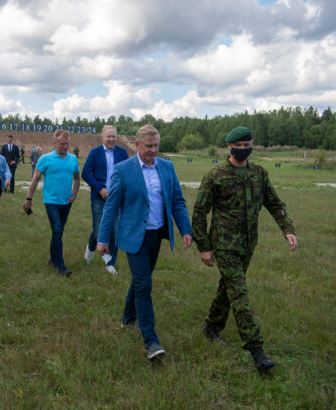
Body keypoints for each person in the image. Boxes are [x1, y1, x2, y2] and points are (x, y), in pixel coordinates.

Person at [192, 126, 298, 372]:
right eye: (237, 146)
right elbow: (200, 212)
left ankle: (211, 326)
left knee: (228, 287)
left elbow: (274, 202)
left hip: (248, 243)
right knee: (239, 293)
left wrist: (287, 229)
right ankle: (256, 350)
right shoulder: (215, 174)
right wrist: (204, 247)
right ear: (229, 147)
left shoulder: (259, 173)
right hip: (225, 244)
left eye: (246, 145)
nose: (242, 150)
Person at [97, 125, 193, 362]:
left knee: (141, 280)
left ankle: (128, 318)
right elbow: (111, 206)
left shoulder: (167, 167)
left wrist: (185, 230)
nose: (153, 150)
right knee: (144, 284)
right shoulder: (123, 170)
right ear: (137, 145)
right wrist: (102, 238)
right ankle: (150, 342)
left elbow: (178, 201)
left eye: (156, 146)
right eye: (148, 146)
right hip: (133, 235)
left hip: (156, 234)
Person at [23, 129, 80, 276]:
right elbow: (35, 179)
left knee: (58, 233)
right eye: (62, 144)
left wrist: (74, 194)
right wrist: (28, 199)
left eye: (67, 144)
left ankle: (52, 259)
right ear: (54, 143)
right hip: (51, 201)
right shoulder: (45, 159)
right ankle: (60, 266)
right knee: (57, 230)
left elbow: (77, 178)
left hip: (66, 202)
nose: (65, 147)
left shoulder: (73, 159)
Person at [82, 125, 129, 274]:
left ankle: (109, 263)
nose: (111, 139)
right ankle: (90, 247)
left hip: (116, 199)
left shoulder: (122, 153)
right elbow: (86, 173)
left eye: (114, 136)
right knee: (98, 231)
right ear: (102, 137)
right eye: (108, 136)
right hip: (98, 199)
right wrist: (99, 188)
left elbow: (127, 173)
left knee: (114, 232)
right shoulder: (95, 152)